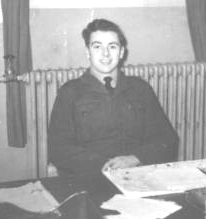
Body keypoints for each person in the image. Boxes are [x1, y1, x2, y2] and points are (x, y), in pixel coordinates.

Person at [48, 18, 178, 177]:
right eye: (97, 46)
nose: (105, 54)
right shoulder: (70, 92)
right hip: (89, 176)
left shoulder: (140, 89)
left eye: (112, 46)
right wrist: (102, 165)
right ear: (87, 52)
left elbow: (167, 140)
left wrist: (135, 158)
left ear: (122, 52)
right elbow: (58, 148)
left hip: (137, 175)